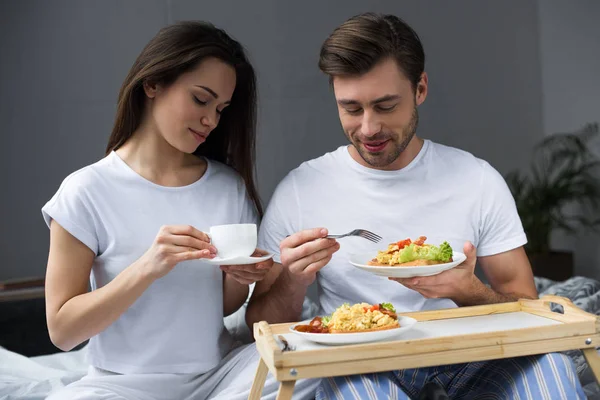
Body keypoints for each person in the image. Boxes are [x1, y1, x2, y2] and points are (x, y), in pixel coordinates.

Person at [247, 12, 586, 399]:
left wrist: (468, 290)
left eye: (386, 106)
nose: (369, 128)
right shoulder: (300, 189)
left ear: (420, 89)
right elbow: (258, 325)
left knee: (553, 363)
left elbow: (527, 303)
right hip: (362, 362)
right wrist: (294, 279)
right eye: (352, 108)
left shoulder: (476, 179)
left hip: (473, 357)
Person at [42, 21, 288, 400]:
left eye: (221, 109)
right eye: (200, 99)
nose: (211, 120)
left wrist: (240, 275)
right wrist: (148, 267)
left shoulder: (227, 186)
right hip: (120, 385)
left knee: (293, 362)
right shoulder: (86, 191)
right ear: (153, 84)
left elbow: (223, 306)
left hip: (219, 375)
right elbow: (62, 332)